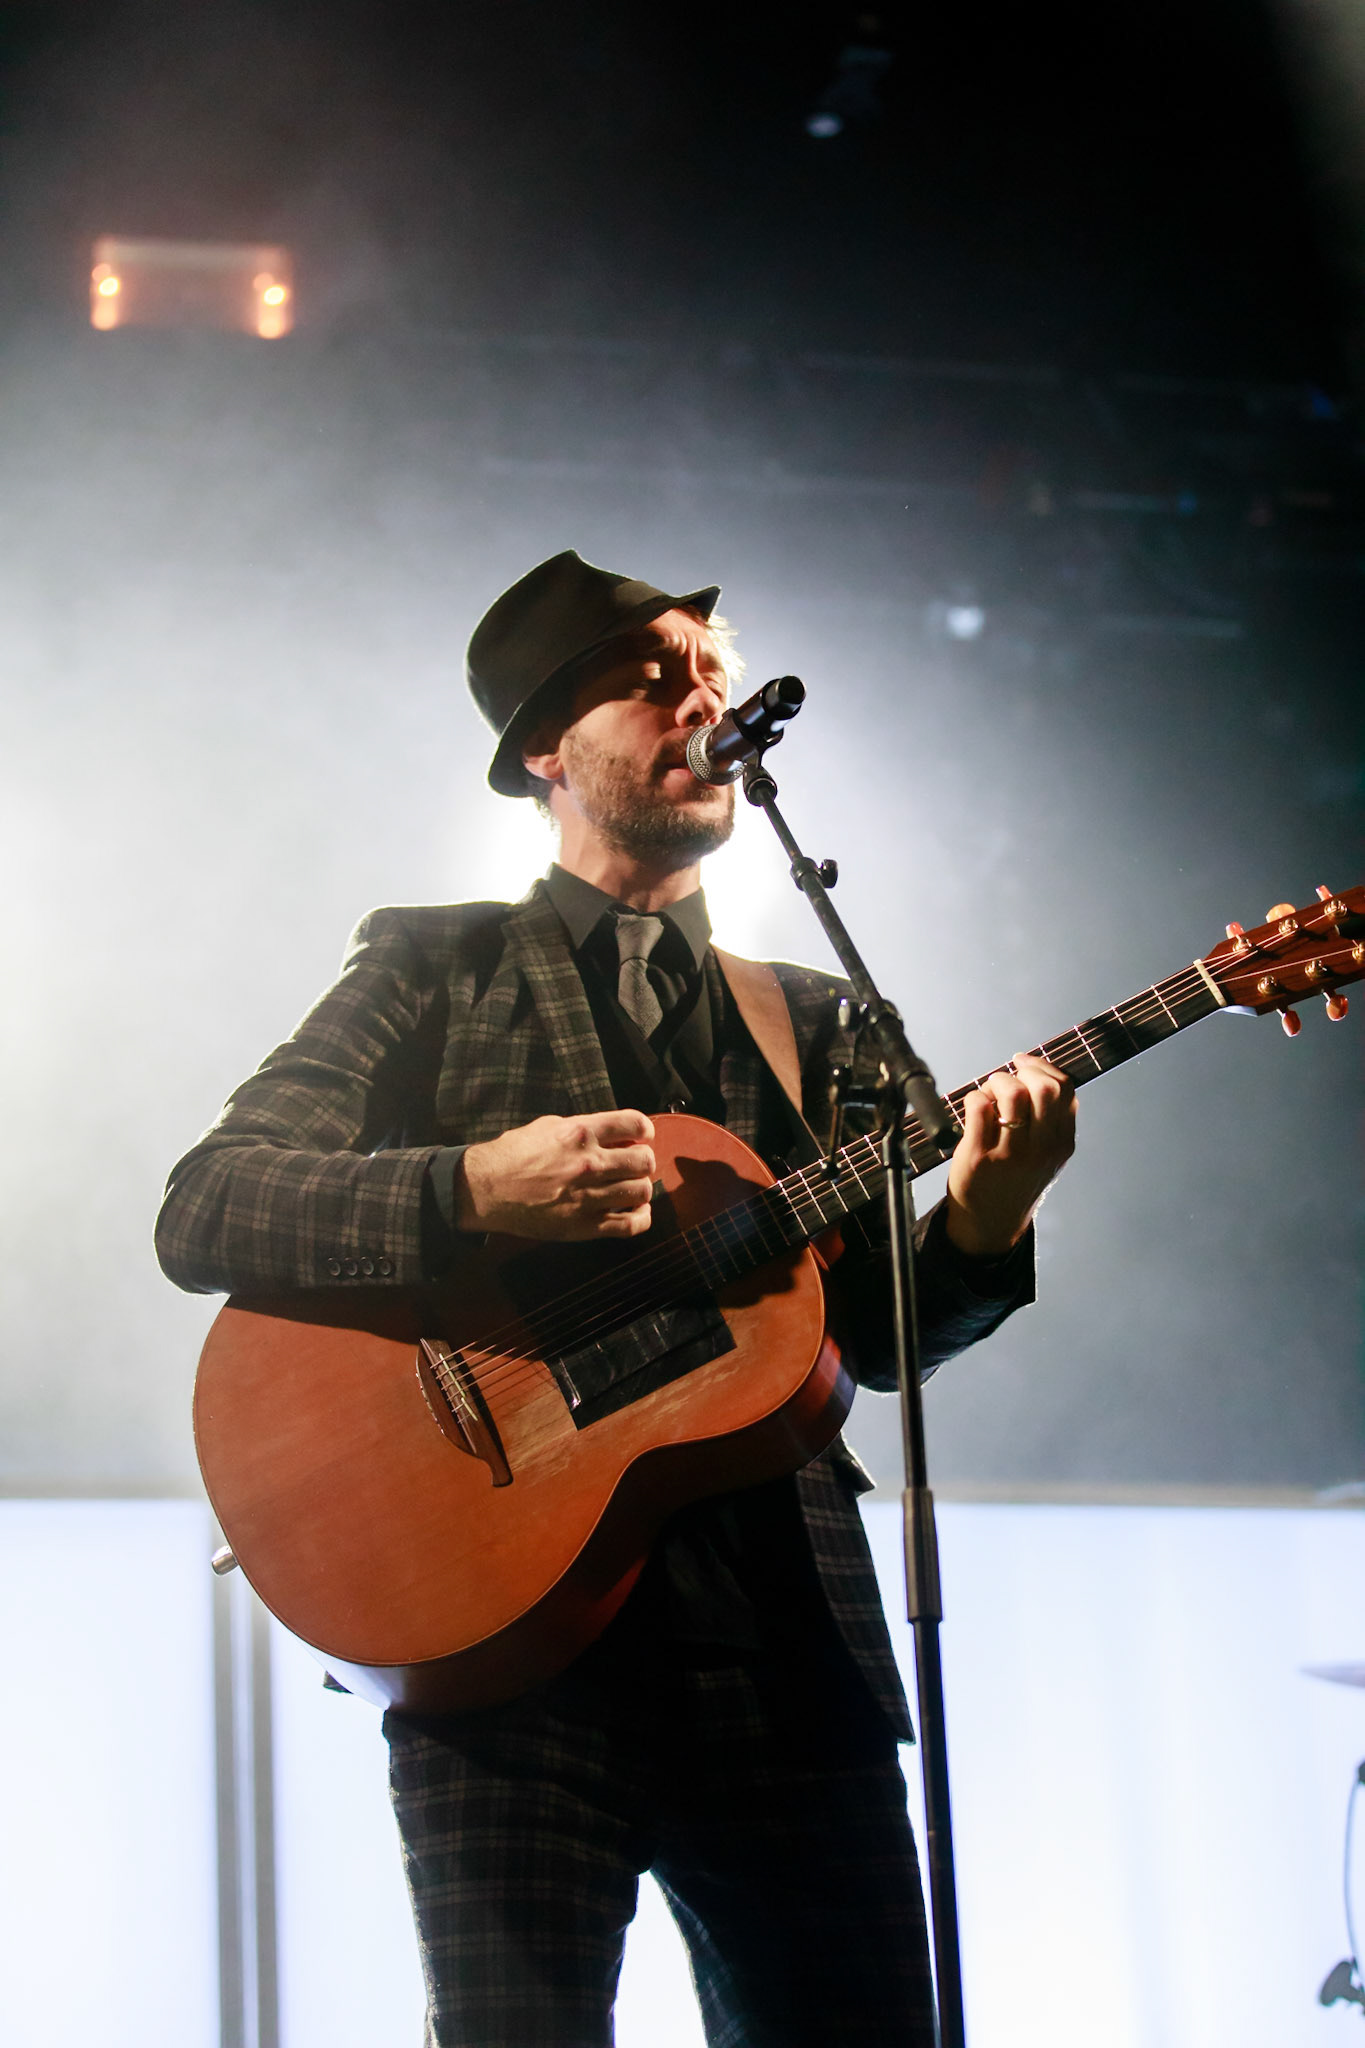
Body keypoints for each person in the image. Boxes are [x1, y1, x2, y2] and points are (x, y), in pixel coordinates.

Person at [157, 550, 1076, 2048]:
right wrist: (470, 1186)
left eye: (707, 669)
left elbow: (878, 1349)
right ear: (542, 749)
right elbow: (207, 1205)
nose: (697, 697)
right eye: (648, 677)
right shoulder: (432, 965)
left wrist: (989, 1212)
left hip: (791, 1656)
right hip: (505, 1667)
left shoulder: (823, 1019)